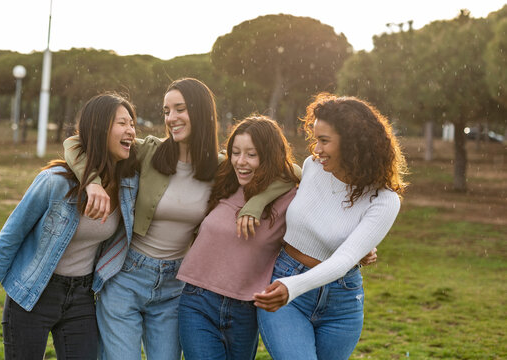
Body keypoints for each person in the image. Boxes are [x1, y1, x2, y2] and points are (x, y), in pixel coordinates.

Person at [63, 78, 294, 360]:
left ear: (200, 112)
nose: (171, 118)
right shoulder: (148, 150)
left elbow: (290, 173)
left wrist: (257, 202)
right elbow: (76, 143)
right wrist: (92, 183)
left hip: (175, 285)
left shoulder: (223, 167)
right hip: (127, 276)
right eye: (166, 111)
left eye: (179, 109)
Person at [0, 93, 140, 360]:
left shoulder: (128, 185)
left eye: (132, 123)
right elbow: (8, 241)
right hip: (31, 294)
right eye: (122, 123)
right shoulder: (54, 182)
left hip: (82, 297)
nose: (131, 130)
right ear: (100, 129)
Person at [253, 93, 408, 360]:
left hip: (342, 302)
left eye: (324, 141)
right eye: (316, 139)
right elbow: (272, 179)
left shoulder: (384, 200)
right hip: (286, 285)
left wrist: (295, 285)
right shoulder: (312, 168)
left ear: (353, 144)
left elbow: (346, 258)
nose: (316, 149)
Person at [176, 116, 299, 360]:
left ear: (270, 156)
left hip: (246, 308)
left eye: (251, 155)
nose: (240, 162)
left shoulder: (291, 198)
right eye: (235, 152)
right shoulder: (223, 179)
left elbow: (299, 173)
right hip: (197, 301)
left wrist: (259, 200)